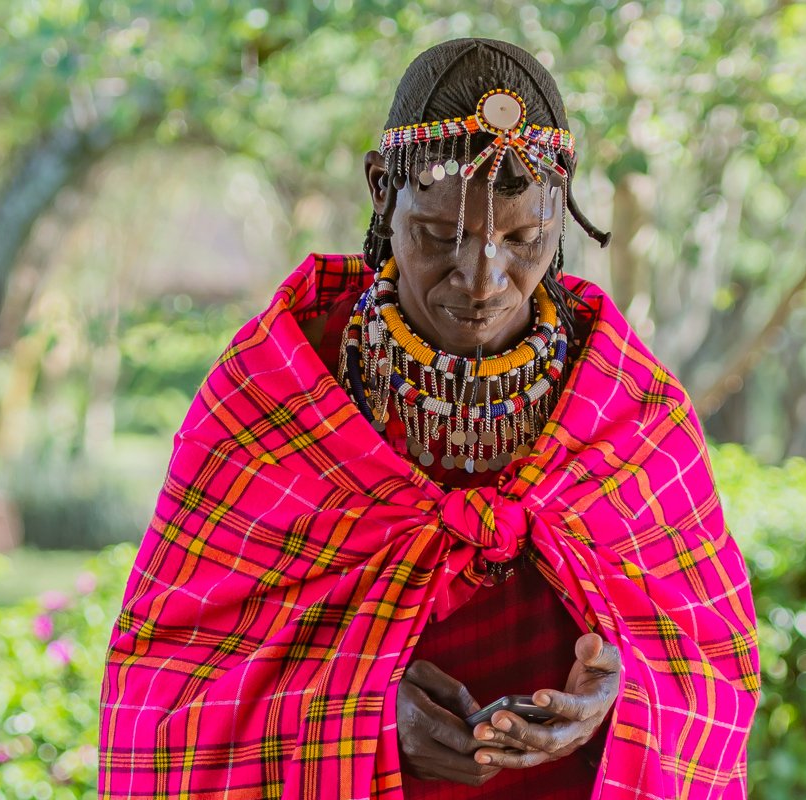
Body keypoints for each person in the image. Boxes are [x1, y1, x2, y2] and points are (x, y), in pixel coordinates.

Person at [99, 39, 760, 799]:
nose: (483, 280)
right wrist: (362, 717)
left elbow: (708, 668)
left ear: (562, 204)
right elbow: (172, 687)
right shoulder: (279, 386)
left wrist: (618, 701)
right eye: (442, 237)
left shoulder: (628, 407)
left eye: (523, 239)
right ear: (383, 188)